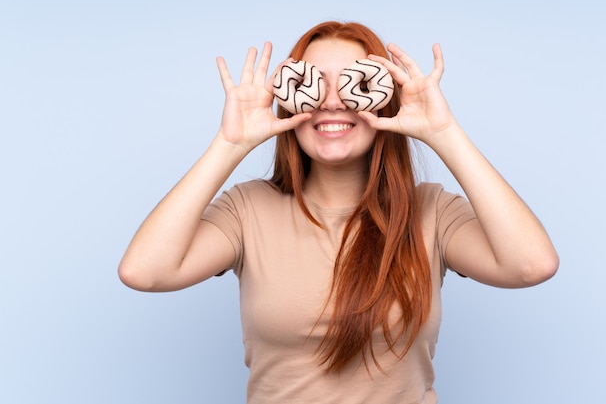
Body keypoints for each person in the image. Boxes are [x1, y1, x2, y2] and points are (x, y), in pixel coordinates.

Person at [118, 21, 559, 403]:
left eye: (353, 82)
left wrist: (443, 132)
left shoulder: (432, 213)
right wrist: (229, 145)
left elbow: (531, 265)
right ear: (290, 98)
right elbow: (145, 272)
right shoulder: (247, 209)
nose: (331, 101)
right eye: (313, 83)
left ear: (383, 98)